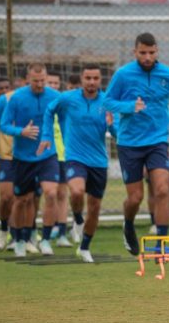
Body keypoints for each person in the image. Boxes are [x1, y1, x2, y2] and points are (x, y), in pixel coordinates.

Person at [104, 32, 169, 255]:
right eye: (143, 53)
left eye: (151, 52)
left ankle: (161, 244)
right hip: (129, 142)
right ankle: (128, 225)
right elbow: (107, 101)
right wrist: (129, 107)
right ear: (135, 52)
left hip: (158, 141)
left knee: (162, 189)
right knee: (135, 198)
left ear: (157, 51)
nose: (148, 57)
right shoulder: (123, 74)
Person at [38, 64, 117, 263]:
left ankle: (84, 247)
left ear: (101, 80)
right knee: (76, 191)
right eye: (88, 78)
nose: (91, 82)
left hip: (98, 161)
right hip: (75, 157)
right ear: (81, 79)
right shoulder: (68, 98)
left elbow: (117, 132)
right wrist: (46, 135)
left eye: (95, 78)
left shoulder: (108, 102)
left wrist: (112, 125)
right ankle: (78, 219)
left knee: (95, 207)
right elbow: (49, 111)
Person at [0, 63, 61, 256]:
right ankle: (18, 239)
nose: (40, 84)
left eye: (43, 80)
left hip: (47, 155)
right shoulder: (17, 98)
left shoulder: (54, 96)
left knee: (51, 194)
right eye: (36, 81)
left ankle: (45, 240)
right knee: (22, 200)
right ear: (28, 79)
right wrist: (21, 131)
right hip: (22, 158)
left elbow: (69, 114)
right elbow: (4, 125)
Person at [45, 72, 73, 247]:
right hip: (47, 156)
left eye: (56, 83)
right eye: (50, 83)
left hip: (64, 155)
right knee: (49, 194)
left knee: (62, 194)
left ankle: (62, 232)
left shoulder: (64, 104)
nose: (53, 86)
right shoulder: (42, 106)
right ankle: (45, 229)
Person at [0, 78, 14, 251]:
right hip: (4, 156)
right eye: (1, 88)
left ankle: (22, 234)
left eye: (7, 87)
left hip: (25, 158)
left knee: (25, 198)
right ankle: (4, 228)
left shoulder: (26, 101)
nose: (4, 91)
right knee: (6, 197)